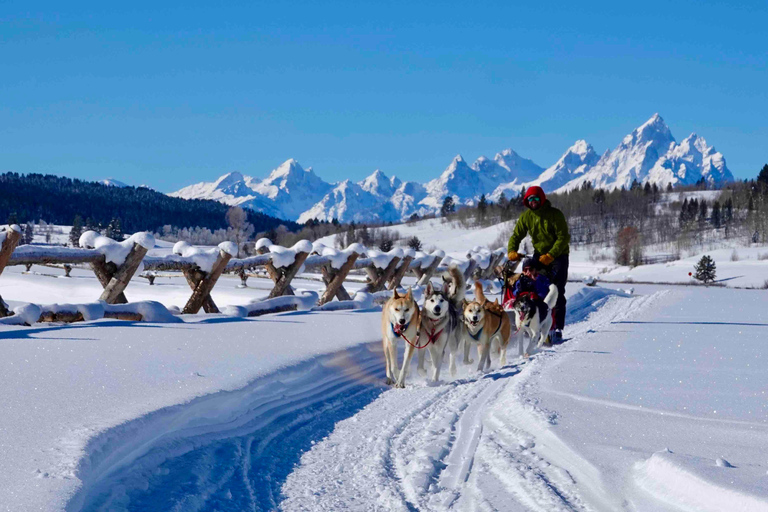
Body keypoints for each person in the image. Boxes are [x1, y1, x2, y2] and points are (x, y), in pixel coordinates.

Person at [507, 186, 570, 343]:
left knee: (557, 290)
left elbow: (563, 238)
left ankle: (557, 328)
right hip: (540, 255)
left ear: (542, 199)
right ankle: (536, 322)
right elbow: (517, 234)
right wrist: (512, 251)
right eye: (530, 200)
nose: (533, 202)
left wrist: (551, 255)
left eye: (535, 199)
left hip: (559, 255)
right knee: (535, 287)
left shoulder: (555, 215)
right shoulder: (527, 217)